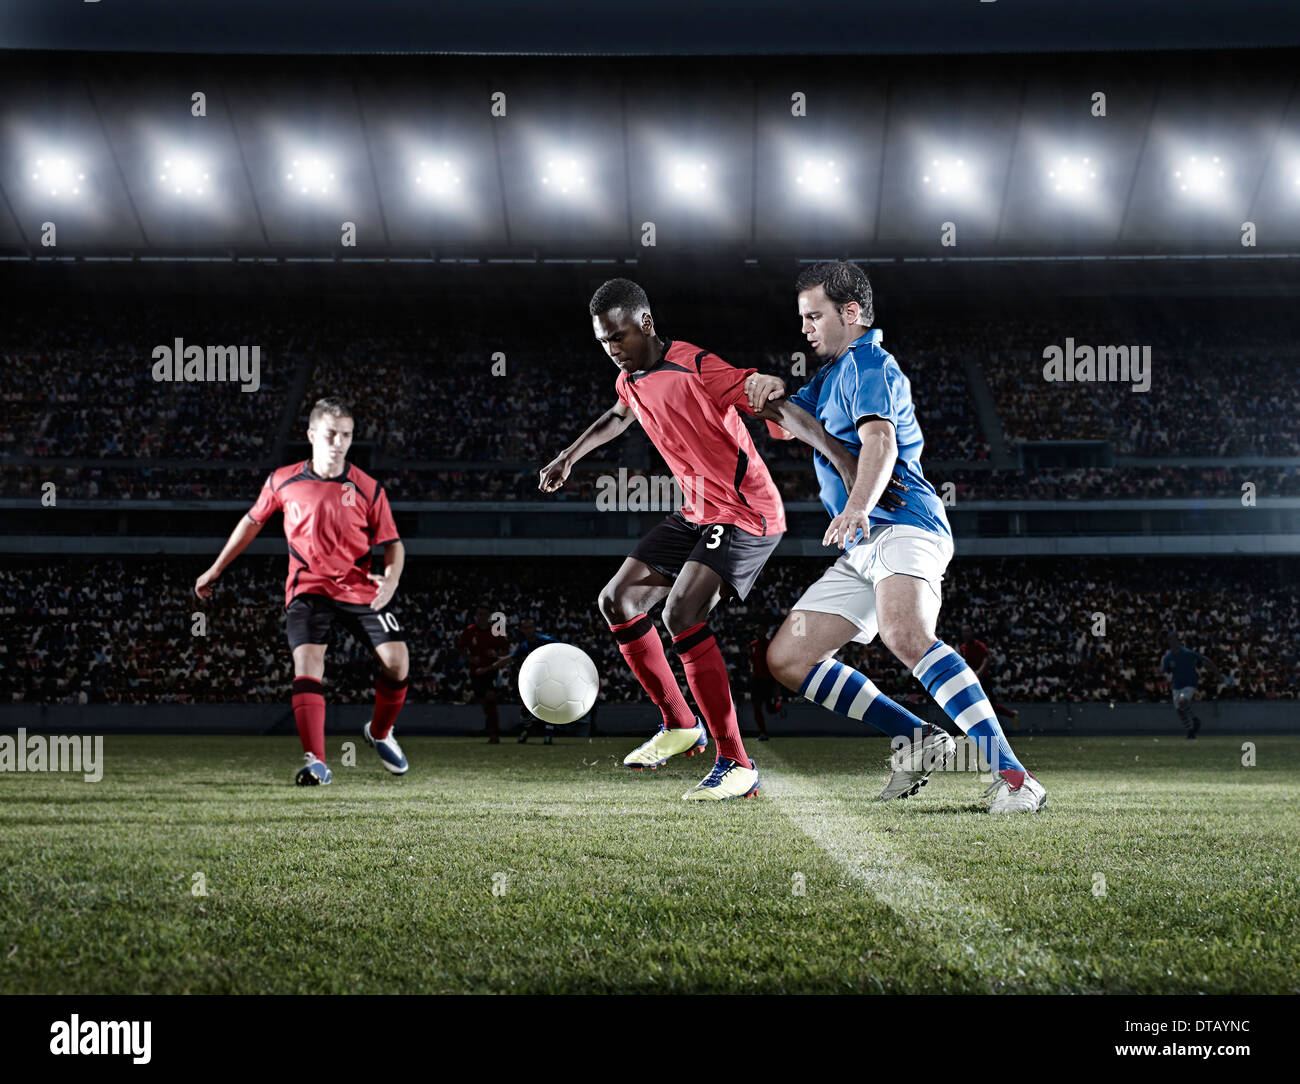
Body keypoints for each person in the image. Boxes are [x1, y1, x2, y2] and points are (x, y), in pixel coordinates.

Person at [539, 277, 858, 800]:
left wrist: (840, 458)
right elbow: (619, 415)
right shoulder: (631, 379)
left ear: (645, 323)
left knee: (681, 613)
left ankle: (736, 763)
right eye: (603, 342)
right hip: (697, 511)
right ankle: (679, 724)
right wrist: (569, 456)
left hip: (747, 512)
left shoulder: (696, 366)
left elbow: (771, 405)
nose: (613, 350)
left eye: (619, 337)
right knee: (616, 600)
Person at [757, 262, 1045, 813]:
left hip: (902, 522)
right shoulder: (830, 375)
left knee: (905, 633)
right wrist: (769, 395)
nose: (806, 328)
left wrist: (859, 506)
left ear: (852, 313)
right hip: (862, 541)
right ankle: (917, 737)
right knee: (788, 659)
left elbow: (880, 441)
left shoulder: (871, 365)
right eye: (802, 318)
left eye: (814, 316)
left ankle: (1014, 779)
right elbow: (786, 423)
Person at [194, 396, 410, 785]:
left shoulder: (368, 488)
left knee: (398, 663)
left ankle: (379, 732)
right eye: (331, 433)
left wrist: (391, 578)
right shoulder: (282, 480)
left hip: (359, 587)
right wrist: (215, 568)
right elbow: (251, 523)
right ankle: (317, 762)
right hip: (307, 588)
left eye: (346, 435)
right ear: (312, 435)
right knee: (309, 666)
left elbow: (393, 542)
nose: (339, 442)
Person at [490, 618, 560, 744]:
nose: (527, 630)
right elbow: (511, 657)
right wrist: (494, 664)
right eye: (525, 628)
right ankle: (527, 730)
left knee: (549, 707)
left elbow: (563, 650)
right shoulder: (524, 645)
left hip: (548, 679)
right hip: (531, 681)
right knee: (525, 708)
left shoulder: (547, 641)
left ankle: (548, 735)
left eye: (530, 627)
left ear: (534, 628)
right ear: (522, 630)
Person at [458, 604, 508, 743]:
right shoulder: (470, 631)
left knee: (491, 698)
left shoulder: (495, 630)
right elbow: (461, 648)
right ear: (476, 615)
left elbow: (505, 652)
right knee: (484, 703)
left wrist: (496, 654)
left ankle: (495, 734)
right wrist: (471, 658)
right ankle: (491, 727)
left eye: (485, 614)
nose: (482, 617)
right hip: (476, 672)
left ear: (489, 616)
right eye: (480, 614)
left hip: (491, 670)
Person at [958, 625, 1020, 731]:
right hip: (971, 680)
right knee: (971, 705)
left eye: (968, 631)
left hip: (984, 680)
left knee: (990, 706)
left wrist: (979, 673)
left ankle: (1012, 715)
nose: (966, 634)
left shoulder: (979, 645)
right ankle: (971, 729)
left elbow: (987, 659)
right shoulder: (962, 648)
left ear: (972, 633)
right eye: (964, 632)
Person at [1160, 631, 1218, 738]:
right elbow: (1162, 670)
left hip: (1189, 683)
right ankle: (1190, 731)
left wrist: (1216, 672)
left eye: (1173, 639)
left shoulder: (1187, 652)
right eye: (1170, 640)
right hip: (1176, 685)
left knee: (1182, 702)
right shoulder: (1168, 657)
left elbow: (1205, 659)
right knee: (1179, 710)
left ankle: (1195, 719)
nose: (1172, 642)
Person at [747, 626, 784, 741]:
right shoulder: (752, 645)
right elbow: (751, 660)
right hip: (756, 681)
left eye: (762, 630)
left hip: (768, 680)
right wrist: (752, 669)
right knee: (756, 707)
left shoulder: (770, 644)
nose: (759, 632)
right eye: (758, 630)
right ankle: (763, 733)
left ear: (766, 631)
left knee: (770, 709)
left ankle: (778, 707)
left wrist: (776, 684)